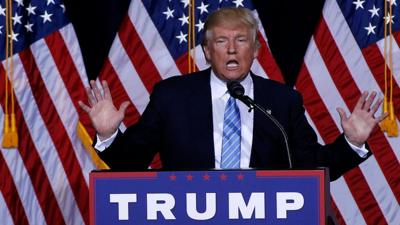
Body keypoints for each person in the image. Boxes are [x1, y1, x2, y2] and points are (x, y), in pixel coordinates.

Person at [78, 7, 386, 181]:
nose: (231, 49)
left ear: (254, 50)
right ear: (208, 52)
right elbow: (131, 163)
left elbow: (312, 169)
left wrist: (352, 142)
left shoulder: (281, 101)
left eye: (241, 40)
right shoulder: (171, 96)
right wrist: (109, 135)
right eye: (222, 41)